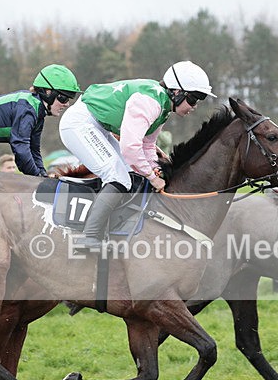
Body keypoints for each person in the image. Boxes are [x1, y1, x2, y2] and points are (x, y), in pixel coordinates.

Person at [59, 60, 215, 253]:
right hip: (79, 124)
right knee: (118, 177)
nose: (194, 106)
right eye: (193, 99)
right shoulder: (150, 102)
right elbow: (131, 147)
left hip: (97, 125)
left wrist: (155, 168)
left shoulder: (163, 106)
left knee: (129, 172)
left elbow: (147, 145)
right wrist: (151, 176)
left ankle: (112, 224)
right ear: (177, 92)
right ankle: (90, 236)